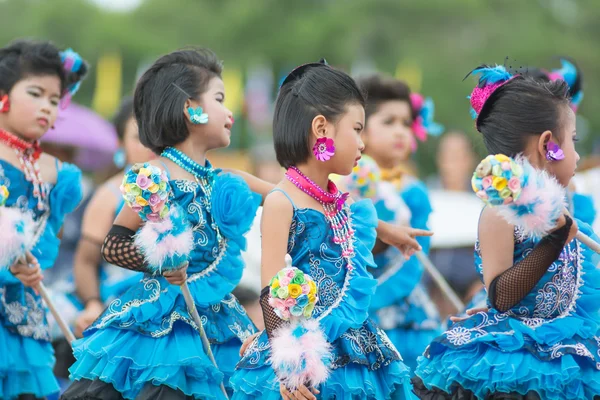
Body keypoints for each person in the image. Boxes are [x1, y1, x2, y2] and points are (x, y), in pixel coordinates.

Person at [413, 65, 600, 399]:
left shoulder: (567, 211)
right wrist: (554, 240)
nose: (577, 154)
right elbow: (501, 294)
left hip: (571, 347)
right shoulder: (502, 212)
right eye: (572, 142)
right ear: (548, 145)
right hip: (515, 365)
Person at [0, 39, 87, 400]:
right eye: (35, 93)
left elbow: (46, 243)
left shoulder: (57, 174)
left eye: (54, 100)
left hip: (24, 310)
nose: (46, 107)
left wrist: (25, 265)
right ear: (2, 95)